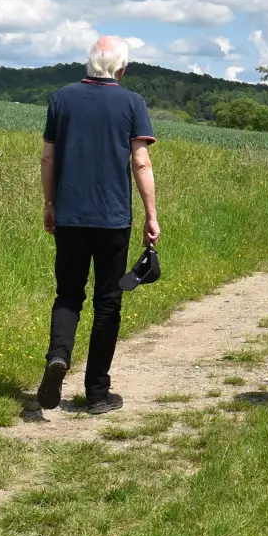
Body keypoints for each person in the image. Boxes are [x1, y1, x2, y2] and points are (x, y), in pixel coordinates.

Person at [36, 35, 159, 415]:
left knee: (69, 293)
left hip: (70, 216)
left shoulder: (62, 99)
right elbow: (141, 163)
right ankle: (97, 393)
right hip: (112, 219)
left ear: (90, 63)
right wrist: (151, 215)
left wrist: (50, 204)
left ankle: (58, 356)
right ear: (121, 68)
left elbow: (47, 157)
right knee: (109, 302)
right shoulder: (131, 103)